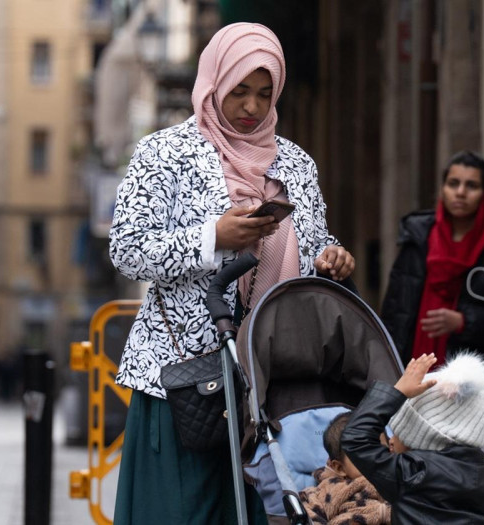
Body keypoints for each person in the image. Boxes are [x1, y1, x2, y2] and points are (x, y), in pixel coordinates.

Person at [108, 23, 355, 525]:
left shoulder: (296, 164)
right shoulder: (165, 153)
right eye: (239, 90)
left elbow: (312, 244)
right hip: (186, 380)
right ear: (214, 82)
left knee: (269, 512)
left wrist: (331, 258)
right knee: (181, 512)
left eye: (265, 93)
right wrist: (213, 237)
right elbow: (128, 250)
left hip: (272, 381)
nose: (251, 106)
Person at [380, 151, 484, 393]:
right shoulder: (417, 239)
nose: (460, 192)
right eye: (453, 183)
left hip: (477, 382)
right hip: (411, 373)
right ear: (442, 189)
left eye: (471, 186)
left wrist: (465, 321)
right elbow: (394, 312)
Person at [341, 353, 484, 524]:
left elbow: (355, 437)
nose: (391, 440)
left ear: (424, 436)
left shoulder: (414, 473)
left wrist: (398, 392)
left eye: (399, 431)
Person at [298, 413, 392, 524]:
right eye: (363, 456)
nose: (375, 460)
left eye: (381, 450)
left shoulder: (401, 474)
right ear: (340, 468)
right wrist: (384, 512)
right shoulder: (335, 494)